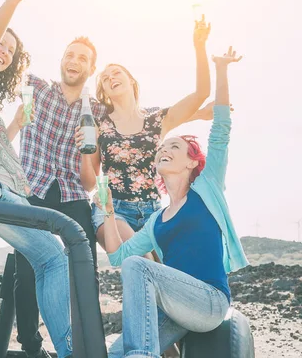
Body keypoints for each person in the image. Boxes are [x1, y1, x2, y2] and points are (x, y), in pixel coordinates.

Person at [0, 0, 102, 358]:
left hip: (70, 194)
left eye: (82, 57)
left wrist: (91, 143)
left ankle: (84, 345)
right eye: (69, 54)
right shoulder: (35, 86)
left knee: (80, 266)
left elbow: (92, 177)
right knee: (28, 270)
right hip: (26, 188)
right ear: (61, 60)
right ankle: (33, 346)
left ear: (89, 68)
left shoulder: (93, 110)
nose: (73, 60)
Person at [99, 47, 248, 358]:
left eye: (175, 145)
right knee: (113, 354)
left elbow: (221, 129)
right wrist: (108, 210)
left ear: (192, 162)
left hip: (209, 302)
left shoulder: (207, 190)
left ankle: (142, 354)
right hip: (176, 308)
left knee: (139, 267)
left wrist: (221, 69)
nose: (165, 148)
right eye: (163, 146)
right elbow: (117, 257)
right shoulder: (157, 220)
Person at [77, 18, 213, 257]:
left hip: (152, 210)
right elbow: (89, 179)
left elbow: (201, 93)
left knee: (167, 274)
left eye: (116, 73)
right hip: (113, 210)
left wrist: (199, 46)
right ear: (104, 92)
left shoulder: (157, 119)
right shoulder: (101, 125)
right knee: (143, 261)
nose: (111, 78)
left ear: (131, 80)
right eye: (105, 79)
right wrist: (84, 152)